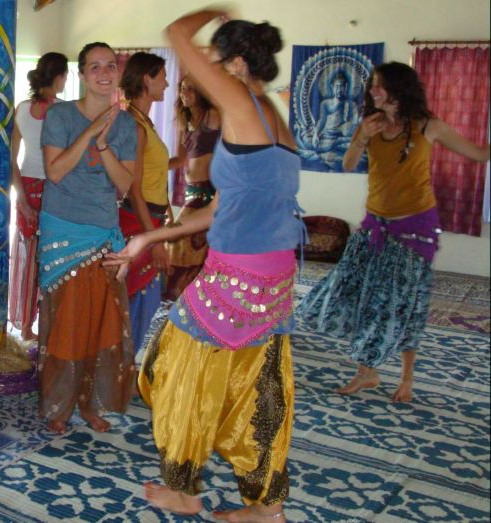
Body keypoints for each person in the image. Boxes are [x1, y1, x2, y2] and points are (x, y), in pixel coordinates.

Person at [106, 11, 303, 521]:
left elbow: (174, 33)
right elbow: (220, 209)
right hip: (274, 277)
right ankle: (268, 507)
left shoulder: (240, 102)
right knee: (258, 386)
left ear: (236, 64)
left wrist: (214, 9)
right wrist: (150, 236)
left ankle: (184, 488)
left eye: (213, 61)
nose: (200, 73)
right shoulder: (273, 118)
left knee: (172, 367)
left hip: (235, 279)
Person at [299, 61, 491, 403]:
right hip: (375, 225)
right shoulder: (370, 125)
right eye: (372, 85)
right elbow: (347, 164)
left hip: (414, 230)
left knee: (406, 302)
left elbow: (478, 154)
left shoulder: (427, 126)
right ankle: (367, 372)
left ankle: (406, 379)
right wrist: (360, 137)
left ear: (399, 89)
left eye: (379, 85)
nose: (372, 91)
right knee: (360, 295)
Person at [37, 42, 137, 434]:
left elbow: (125, 184)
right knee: (68, 324)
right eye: (94, 67)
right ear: (82, 74)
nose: (103, 73)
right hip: (64, 229)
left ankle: (92, 404)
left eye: (109, 66)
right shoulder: (60, 115)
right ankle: (58, 407)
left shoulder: (127, 124)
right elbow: (55, 172)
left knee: (103, 323)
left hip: (104, 232)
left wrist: (103, 144)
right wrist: (90, 131)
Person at [117, 52, 178, 355]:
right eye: (163, 76)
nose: (167, 83)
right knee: (134, 301)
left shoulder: (145, 122)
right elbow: (134, 190)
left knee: (145, 299)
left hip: (150, 221)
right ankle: (117, 370)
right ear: (147, 79)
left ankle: (121, 368)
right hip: (137, 222)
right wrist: (151, 239)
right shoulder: (135, 125)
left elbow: (152, 176)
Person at [9, 52, 68, 342]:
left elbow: (11, 158)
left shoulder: (21, 108)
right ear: (59, 77)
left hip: (27, 184)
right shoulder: (66, 111)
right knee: (56, 257)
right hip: (58, 187)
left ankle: (26, 325)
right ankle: (51, 320)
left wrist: (20, 197)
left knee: (29, 258)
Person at [164, 77, 221, 300]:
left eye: (190, 89)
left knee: (181, 241)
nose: (184, 93)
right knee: (188, 245)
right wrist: (152, 167)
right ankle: (191, 295)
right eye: (181, 89)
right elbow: (179, 160)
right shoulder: (183, 121)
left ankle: (190, 294)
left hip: (208, 191)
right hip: (191, 191)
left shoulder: (213, 116)